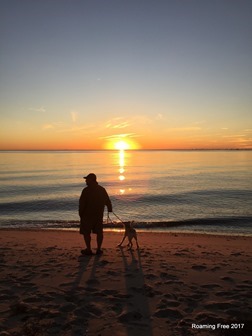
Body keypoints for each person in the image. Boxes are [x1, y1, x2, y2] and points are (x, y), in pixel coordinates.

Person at [79, 173, 112, 255]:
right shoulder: (101, 189)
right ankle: (98, 249)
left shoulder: (86, 190)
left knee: (86, 233)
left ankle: (89, 249)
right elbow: (107, 201)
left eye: (87, 179)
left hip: (87, 215)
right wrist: (109, 209)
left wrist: (80, 213)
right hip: (98, 215)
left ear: (91, 180)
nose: (86, 181)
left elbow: (82, 203)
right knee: (99, 232)